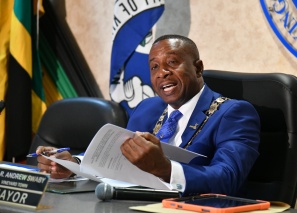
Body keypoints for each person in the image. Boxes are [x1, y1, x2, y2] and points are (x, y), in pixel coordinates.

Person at [37, 34, 260, 196]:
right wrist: (74, 163)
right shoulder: (148, 108)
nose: (162, 73)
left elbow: (228, 178)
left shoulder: (233, 113)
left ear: (198, 68)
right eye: (154, 67)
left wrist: (165, 168)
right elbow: (117, 160)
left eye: (172, 63)